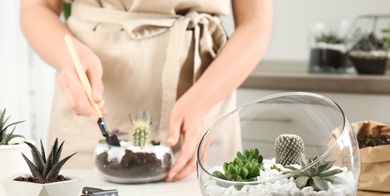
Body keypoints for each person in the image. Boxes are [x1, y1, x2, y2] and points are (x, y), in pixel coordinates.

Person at [20, 0, 273, 181]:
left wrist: (201, 101)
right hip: (92, 99)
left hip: (202, 96)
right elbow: (35, 7)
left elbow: (256, 21)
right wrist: (69, 58)